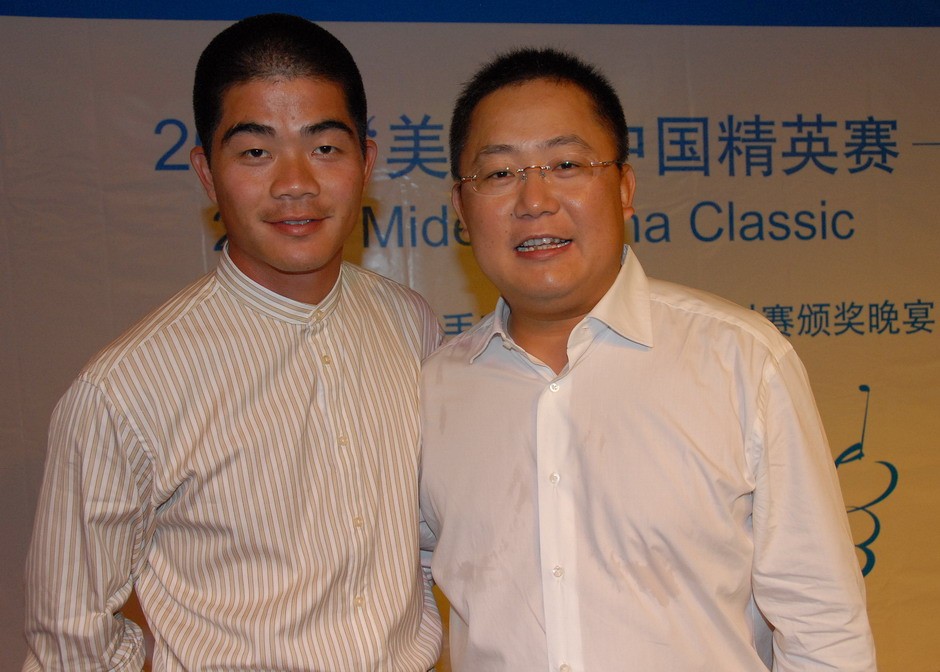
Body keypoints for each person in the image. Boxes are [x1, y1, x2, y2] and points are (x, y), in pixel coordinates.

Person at [419, 48, 876, 671]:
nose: (535, 200)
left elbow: (822, 623)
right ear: (461, 209)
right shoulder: (432, 393)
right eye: (499, 173)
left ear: (624, 189)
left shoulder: (740, 361)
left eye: (566, 164)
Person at [23, 14, 442, 671]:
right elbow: (71, 642)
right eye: (255, 152)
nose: (295, 182)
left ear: (366, 162)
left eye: (324, 147)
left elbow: (429, 536)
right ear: (206, 172)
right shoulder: (124, 388)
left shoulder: (410, 322)